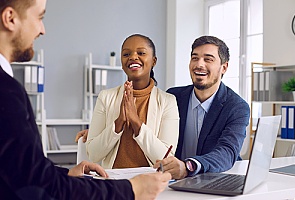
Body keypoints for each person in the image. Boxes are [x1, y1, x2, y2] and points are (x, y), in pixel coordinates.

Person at [0, 0, 171, 199]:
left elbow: (23, 171)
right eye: (40, 17)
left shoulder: (167, 101)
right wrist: (130, 190)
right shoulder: (7, 91)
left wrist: (65, 173)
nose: (42, 30)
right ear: (10, 18)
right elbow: (36, 183)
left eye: (141, 53)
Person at [153, 35, 250, 180]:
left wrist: (188, 166)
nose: (199, 64)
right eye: (194, 58)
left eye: (208, 59)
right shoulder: (173, 97)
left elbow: (228, 151)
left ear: (224, 67)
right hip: (173, 180)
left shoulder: (237, 107)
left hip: (215, 178)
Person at [82, 34, 179, 169]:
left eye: (141, 53)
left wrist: (136, 122)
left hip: (150, 183)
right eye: (126, 54)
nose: (133, 57)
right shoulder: (105, 97)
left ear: (154, 61)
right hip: (113, 182)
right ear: (122, 63)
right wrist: (119, 122)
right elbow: (93, 154)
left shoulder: (168, 101)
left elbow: (166, 158)